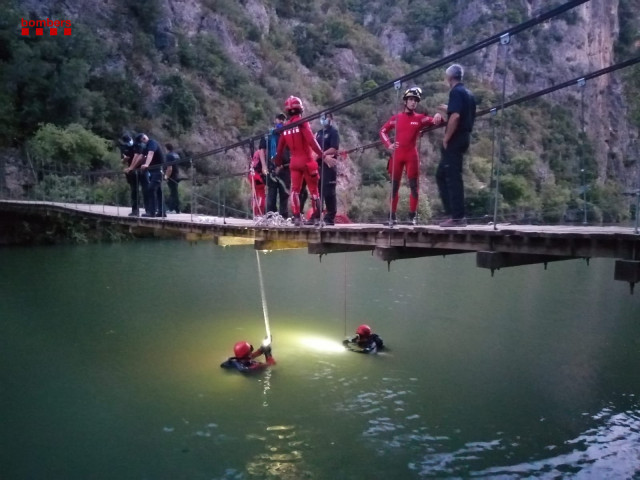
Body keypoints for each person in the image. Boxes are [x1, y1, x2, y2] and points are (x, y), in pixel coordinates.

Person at [380, 87, 443, 225]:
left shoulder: (420, 118)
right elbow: (383, 131)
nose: (413, 102)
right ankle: (392, 216)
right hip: (397, 155)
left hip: (411, 156)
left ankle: (412, 217)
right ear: (406, 101)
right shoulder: (396, 118)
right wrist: (388, 145)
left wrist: (438, 116)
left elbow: (436, 121)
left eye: (415, 100)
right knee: (394, 187)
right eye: (411, 99)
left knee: (414, 186)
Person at [274, 96, 324, 226]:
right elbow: (312, 141)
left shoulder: (285, 127)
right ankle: (316, 217)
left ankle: (296, 217)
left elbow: (279, 150)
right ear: (300, 109)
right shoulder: (303, 123)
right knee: (314, 191)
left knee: (294, 190)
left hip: (294, 163)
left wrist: (277, 163)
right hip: (307, 162)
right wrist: (323, 155)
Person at [437, 64, 476, 227]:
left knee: (453, 178)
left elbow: (455, 117)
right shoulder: (469, 94)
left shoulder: (455, 92)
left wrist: (446, 138)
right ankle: (452, 214)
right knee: (441, 174)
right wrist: (446, 109)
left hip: (455, 138)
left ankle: (457, 217)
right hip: (465, 137)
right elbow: (458, 112)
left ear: (449, 78)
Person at [129, 133, 166, 218]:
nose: (142, 143)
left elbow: (151, 153)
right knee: (158, 191)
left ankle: (151, 212)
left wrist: (146, 164)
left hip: (158, 170)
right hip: (153, 171)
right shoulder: (147, 146)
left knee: (151, 189)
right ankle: (162, 212)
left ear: (143, 139)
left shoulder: (152, 143)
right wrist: (131, 167)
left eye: (141, 141)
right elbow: (141, 157)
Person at [315, 113, 340, 225]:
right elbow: (313, 147)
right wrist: (320, 156)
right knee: (317, 191)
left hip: (329, 166)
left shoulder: (333, 132)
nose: (324, 120)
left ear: (331, 119)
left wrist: (322, 154)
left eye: (327, 118)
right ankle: (317, 214)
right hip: (318, 165)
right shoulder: (319, 133)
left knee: (329, 192)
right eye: (323, 118)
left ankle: (330, 217)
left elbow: (334, 148)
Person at [265, 113, 290, 218]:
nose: (281, 121)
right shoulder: (269, 136)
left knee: (284, 194)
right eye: (279, 119)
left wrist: (282, 166)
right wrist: (264, 166)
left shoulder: (288, 135)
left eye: (283, 120)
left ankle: (283, 217)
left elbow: (292, 152)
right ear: (275, 120)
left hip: (285, 168)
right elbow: (263, 150)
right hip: (272, 169)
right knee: (271, 194)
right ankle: (270, 216)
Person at [119, 134, 143, 217]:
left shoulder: (137, 145)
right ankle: (135, 210)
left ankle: (148, 210)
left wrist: (132, 167)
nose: (129, 143)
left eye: (129, 140)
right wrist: (124, 160)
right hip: (131, 171)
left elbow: (140, 156)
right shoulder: (124, 148)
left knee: (143, 189)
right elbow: (122, 160)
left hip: (139, 169)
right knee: (134, 190)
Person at [249, 142, 267, 217]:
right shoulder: (264, 153)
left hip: (251, 175)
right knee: (261, 195)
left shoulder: (256, 153)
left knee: (255, 194)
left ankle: (255, 214)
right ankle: (260, 214)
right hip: (258, 176)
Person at [164, 143, 181, 214]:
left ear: (166, 148)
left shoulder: (169, 156)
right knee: (175, 193)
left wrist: (166, 176)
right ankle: (177, 209)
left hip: (171, 176)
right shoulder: (176, 155)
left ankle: (172, 209)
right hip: (176, 175)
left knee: (173, 193)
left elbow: (169, 168)